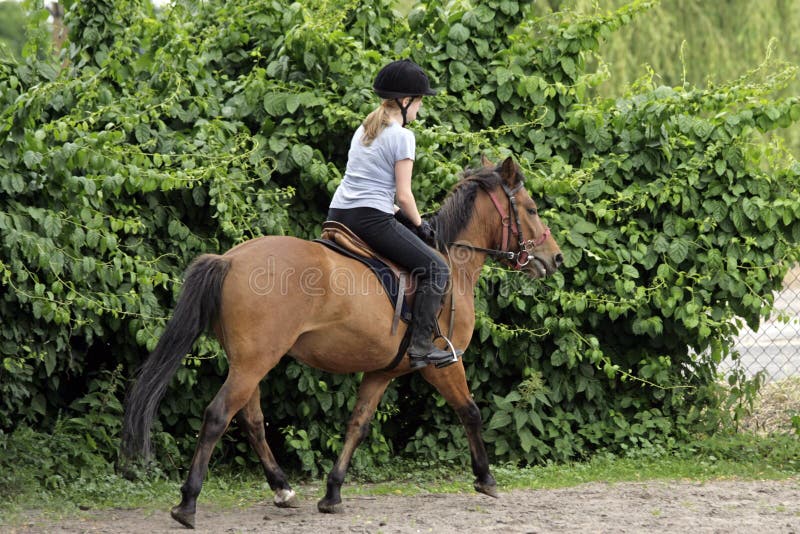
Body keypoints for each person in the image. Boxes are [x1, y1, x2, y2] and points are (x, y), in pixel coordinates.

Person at [327, 59, 457, 370]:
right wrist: (420, 224)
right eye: (420, 101)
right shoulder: (402, 136)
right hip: (369, 219)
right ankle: (422, 347)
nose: (420, 109)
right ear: (406, 101)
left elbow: (375, 187)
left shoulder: (364, 129)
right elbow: (404, 194)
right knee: (437, 269)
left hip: (338, 213)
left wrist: (402, 215)